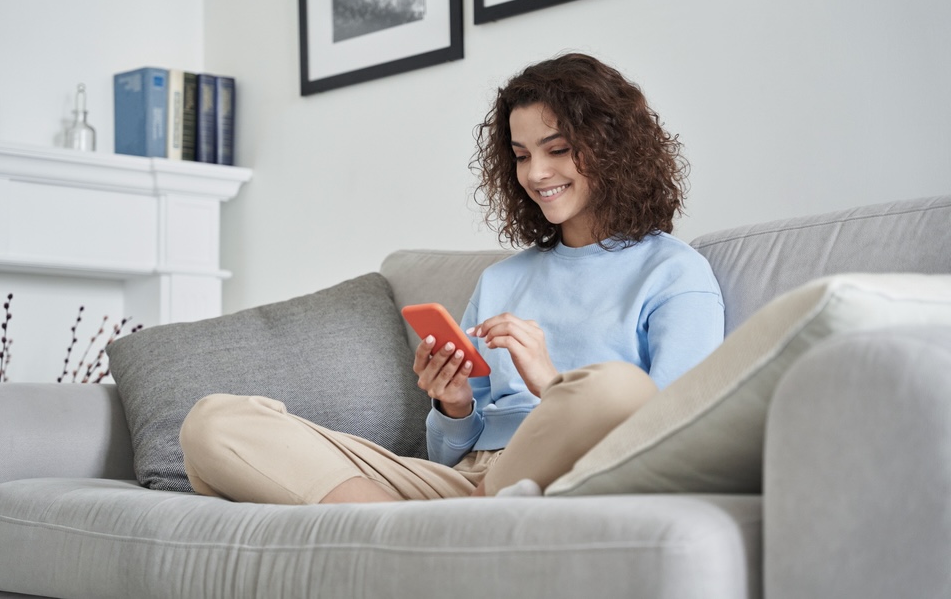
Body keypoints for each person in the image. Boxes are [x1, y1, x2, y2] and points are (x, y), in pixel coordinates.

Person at [179, 52, 724, 504]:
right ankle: (398, 528)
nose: (536, 174)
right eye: (521, 155)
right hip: (465, 485)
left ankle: (423, 527)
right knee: (215, 422)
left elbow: (674, 432)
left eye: (557, 150)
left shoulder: (673, 272)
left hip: (565, 473)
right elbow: (448, 453)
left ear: (613, 148)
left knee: (617, 387)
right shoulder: (501, 280)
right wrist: (454, 405)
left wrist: (551, 385)